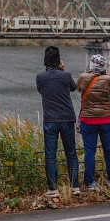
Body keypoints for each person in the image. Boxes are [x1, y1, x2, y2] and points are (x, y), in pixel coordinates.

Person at [36, 46, 80, 198]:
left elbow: (41, 90)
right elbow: (73, 87)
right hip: (67, 118)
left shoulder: (40, 77)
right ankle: (75, 186)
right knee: (71, 154)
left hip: (50, 120)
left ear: (45, 62)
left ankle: (53, 188)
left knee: (50, 155)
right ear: (59, 61)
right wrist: (62, 70)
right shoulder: (66, 75)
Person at [76, 54, 110, 190]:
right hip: (105, 119)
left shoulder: (83, 77)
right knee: (109, 149)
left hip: (88, 120)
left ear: (90, 65)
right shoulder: (108, 79)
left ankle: (90, 182)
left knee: (90, 150)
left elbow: (79, 89)